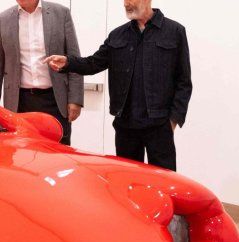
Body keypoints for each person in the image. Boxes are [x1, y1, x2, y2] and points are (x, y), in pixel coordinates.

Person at [44, 0, 191, 170]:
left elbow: (184, 81)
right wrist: (68, 62)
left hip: (159, 124)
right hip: (126, 125)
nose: (126, 3)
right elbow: (93, 63)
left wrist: (174, 119)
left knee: (164, 181)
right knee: (127, 180)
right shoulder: (118, 35)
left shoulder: (174, 32)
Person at [0, 0, 84, 146]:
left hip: (55, 101)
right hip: (19, 102)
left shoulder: (61, 13)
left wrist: (75, 99)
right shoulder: (3, 19)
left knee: (58, 155)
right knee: (22, 155)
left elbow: (74, 58)